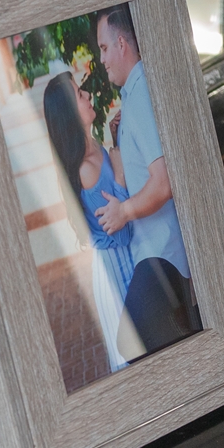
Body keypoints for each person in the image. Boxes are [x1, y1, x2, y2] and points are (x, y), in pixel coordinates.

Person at [93, 4, 200, 354]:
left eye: (104, 48)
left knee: (133, 346)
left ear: (122, 44)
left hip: (162, 253)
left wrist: (123, 212)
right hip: (159, 253)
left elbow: (163, 182)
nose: (102, 59)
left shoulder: (140, 98)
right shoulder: (136, 96)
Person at [42, 72, 142, 372]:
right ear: (69, 114)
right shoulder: (85, 169)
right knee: (136, 354)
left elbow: (117, 199)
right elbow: (119, 235)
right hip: (117, 269)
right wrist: (119, 172)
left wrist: (115, 141)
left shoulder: (94, 146)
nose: (87, 96)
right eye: (79, 95)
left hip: (127, 261)